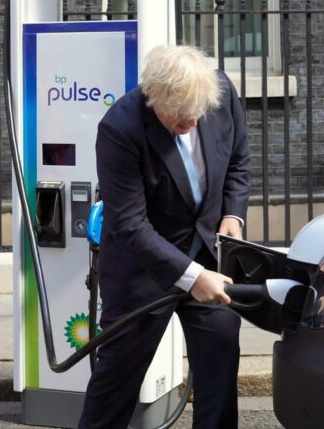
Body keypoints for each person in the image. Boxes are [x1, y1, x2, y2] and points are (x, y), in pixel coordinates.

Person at [79, 45, 250, 429]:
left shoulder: (218, 91)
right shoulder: (119, 128)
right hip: (141, 273)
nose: (191, 119)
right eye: (178, 113)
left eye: (197, 111)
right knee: (115, 388)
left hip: (209, 256)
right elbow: (129, 224)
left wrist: (233, 216)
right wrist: (191, 277)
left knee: (220, 373)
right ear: (154, 96)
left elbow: (238, 159)